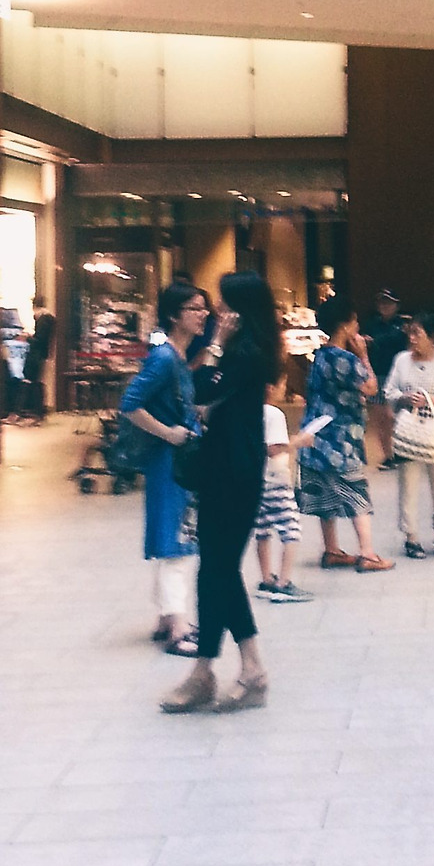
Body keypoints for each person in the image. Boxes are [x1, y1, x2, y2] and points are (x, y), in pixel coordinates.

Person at [162, 271, 276, 716]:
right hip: (226, 467)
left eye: (225, 304)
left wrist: (214, 347)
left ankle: (243, 670)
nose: (218, 313)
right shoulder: (248, 348)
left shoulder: (245, 351)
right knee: (214, 569)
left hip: (235, 470)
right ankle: (211, 671)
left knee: (219, 569)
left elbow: (201, 390)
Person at [121, 280, 206, 655]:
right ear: (174, 315)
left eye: (204, 308)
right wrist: (168, 433)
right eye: (194, 308)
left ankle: (167, 619)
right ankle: (178, 628)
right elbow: (130, 403)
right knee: (179, 545)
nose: (203, 315)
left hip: (178, 460)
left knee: (177, 539)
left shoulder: (177, 357)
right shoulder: (164, 358)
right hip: (171, 462)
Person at [296, 295, 394, 573]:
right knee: (356, 494)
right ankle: (368, 554)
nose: (358, 326)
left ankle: (332, 550)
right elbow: (371, 388)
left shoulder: (320, 355)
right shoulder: (346, 359)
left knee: (324, 496)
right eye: (354, 321)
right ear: (345, 326)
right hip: (340, 440)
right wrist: (363, 355)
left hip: (313, 435)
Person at [384, 310, 434, 557]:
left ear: (432, 336)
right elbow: (389, 391)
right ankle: (411, 536)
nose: (412, 338)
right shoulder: (401, 360)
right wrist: (404, 398)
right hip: (408, 431)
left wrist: (433, 401)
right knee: (407, 484)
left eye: (417, 333)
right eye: (410, 333)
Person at [254, 378, 313, 601]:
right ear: (270, 387)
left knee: (262, 530)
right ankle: (283, 582)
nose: (285, 389)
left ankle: (266, 578)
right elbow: (274, 448)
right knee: (291, 529)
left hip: (256, 479)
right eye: (282, 384)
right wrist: (299, 441)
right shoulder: (273, 414)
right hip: (276, 479)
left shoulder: (249, 412)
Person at [362, 289, 409, 467]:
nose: (384, 306)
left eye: (388, 302)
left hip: (398, 375)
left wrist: (374, 341)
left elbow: (395, 340)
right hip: (377, 374)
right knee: (380, 419)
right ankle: (388, 455)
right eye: (381, 302)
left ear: (397, 305)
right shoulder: (371, 324)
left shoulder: (403, 325)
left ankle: (402, 451)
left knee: (395, 417)